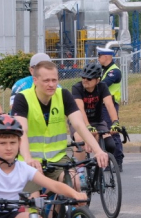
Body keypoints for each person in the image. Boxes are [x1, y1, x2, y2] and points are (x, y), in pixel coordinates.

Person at [12, 60, 108, 194]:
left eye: (54, 80)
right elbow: (21, 131)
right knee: (34, 203)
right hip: (31, 161)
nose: (51, 84)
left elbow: (79, 124)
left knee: (75, 185)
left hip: (58, 158)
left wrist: (98, 150)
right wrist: (28, 158)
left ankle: (63, 213)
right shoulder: (22, 98)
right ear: (35, 80)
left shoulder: (63, 95)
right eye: (46, 81)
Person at [70, 61, 122, 164]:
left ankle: (98, 169)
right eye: (83, 77)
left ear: (97, 80)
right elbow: (80, 108)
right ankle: (80, 171)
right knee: (80, 141)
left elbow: (109, 105)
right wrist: (88, 126)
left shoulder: (102, 87)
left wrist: (115, 122)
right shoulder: (77, 88)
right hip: (79, 121)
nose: (85, 80)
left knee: (110, 145)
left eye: (89, 78)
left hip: (98, 121)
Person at [97, 47, 124, 172]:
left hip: (110, 106)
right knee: (104, 133)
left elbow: (103, 85)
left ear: (106, 56)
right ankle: (107, 161)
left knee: (112, 132)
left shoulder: (114, 71)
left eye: (99, 56)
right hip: (102, 106)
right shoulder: (105, 70)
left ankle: (118, 161)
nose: (98, 58)